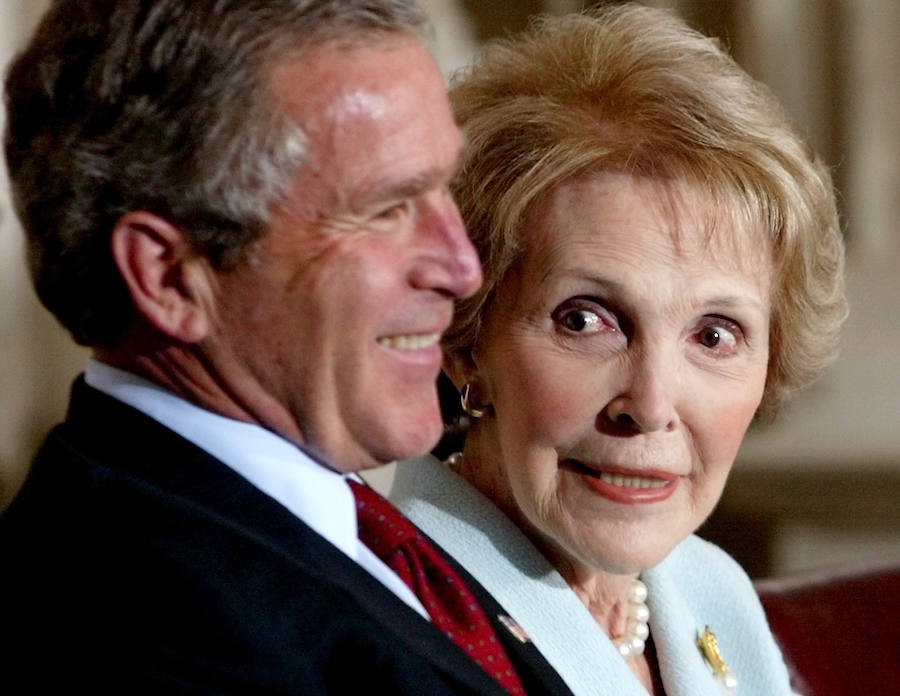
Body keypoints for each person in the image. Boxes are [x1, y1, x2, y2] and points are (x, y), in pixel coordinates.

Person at [0, 2, 575, 694]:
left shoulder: (311, 523)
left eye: (443, 188)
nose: (463, 269)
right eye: (388, 207)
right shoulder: (153, 635)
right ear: (169, 277)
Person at [390, 4, 847, 696]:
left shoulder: (708, 591)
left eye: (715, 335)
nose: (652, 403)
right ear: (464, 340)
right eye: (586, 321)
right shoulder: (396, 618)